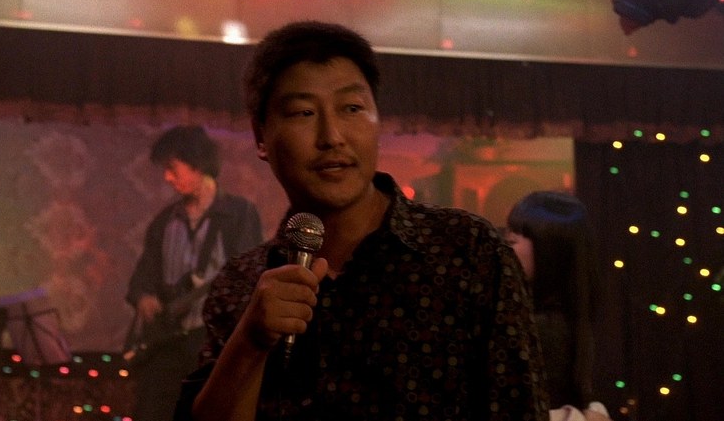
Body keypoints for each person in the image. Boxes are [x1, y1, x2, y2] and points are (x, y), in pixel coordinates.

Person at [174, 21, 550, 421]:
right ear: (261, 137)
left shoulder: (469, 252)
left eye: (352, 108)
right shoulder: (241, 284)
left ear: (378, 120)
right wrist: (250, 342)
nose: (332, 136)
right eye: (303, 112)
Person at [125, 125, 263, 421]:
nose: (167, 177)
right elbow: (141, 277)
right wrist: (144, 297)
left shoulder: (240, 214)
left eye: (172, 168)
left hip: (214, 346)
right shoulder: (164, 222)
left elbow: (249, 279)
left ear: (197, 164)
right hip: (166, 344)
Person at [505, 191, 611, 421]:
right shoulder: (566, 320)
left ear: (549, 251)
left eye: (513, 240)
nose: (505, 247)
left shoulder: (540, 328)